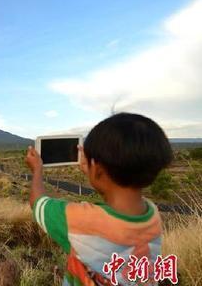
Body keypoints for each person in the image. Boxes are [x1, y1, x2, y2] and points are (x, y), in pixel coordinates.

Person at [25, 113, 173, 286]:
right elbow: (117, 195)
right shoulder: (152, 215)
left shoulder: (80, 220)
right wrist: (96, 173)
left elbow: (38, 203)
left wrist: (37, 170)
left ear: (98, 169)